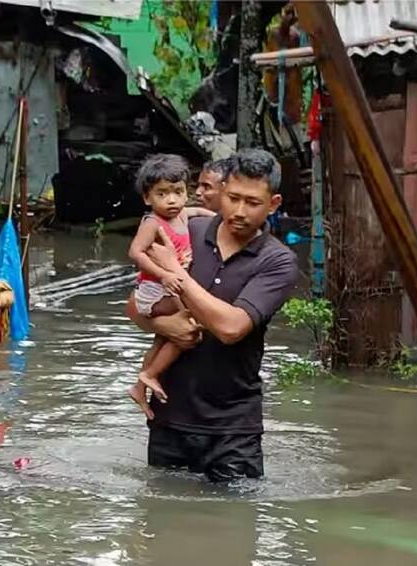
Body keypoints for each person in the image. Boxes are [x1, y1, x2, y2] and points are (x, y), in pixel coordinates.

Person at [126, 149, 298, 482]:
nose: (239, 211)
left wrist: (177, 271)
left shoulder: (277, 261)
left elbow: (232, 327)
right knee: (162, 525)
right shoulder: (187, 230)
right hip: (169, 418)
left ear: (273, 204)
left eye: (253, 202)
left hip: (233, 429)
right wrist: (164, 324)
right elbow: (134, 306)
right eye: (233, 198)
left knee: (234, 524)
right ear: (221, 193)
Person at [127, 154, 215, 419]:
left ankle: (140, 387)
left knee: (163, 337)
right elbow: (136, 253)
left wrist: (220, 220)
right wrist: (163, 275)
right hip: (153, 292)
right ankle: (150, 374)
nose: (172, 200)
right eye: (162, 194)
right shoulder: (153, 222)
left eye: (178, 192)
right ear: (147, 198)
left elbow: (200, 211)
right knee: (190, 325)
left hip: (165, 289)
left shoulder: (183, 215)